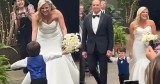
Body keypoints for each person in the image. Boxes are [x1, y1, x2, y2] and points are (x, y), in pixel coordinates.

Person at [21, 0, 79, 84]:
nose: (45, 10)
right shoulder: (36, 16)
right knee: (43, 57)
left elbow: (63, 28)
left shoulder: (57, 13)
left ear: (50, 6)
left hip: (56, 37)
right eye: (42, 8)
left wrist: (66, 40)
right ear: (39, 8)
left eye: (46, 8)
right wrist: (33, 43)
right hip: (42, 38)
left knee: (59, 55)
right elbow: (34, 30)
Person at [82, 0, 114, 84]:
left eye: (97, 5)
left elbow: (110, 35)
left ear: (100, 6)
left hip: (103, 48)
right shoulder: (86, 18)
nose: (95, 6)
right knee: (92, 68)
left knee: (103, 71)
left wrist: (110, 49)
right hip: (90, 48)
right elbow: (84, 35)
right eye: (94, 5)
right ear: (91, 6)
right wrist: (84, 49)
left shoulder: (107, 18)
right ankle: (100, 82)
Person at [128, 6, 156, 84]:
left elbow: (154, 36)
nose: (145, 14)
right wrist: (130, 51)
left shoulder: (151, 22)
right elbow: (131, 38)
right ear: (139, 14)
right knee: (139, 64)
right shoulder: (133, 24)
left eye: (146, 12)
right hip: (137, 47)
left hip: (148, 47)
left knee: (147, 64)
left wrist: (150, 40)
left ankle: (148, 81)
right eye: (143, 12)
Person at [11, 0, 35, 73]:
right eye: (18, 1)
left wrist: (27, 15)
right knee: (23, 51)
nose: (20, 2)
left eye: (21, 0)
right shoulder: (14, 12)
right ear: (16, 3)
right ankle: (26, 69)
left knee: (31, 48)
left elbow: (34, 21)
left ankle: (33, 67)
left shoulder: (29, 8)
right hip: (22, 33)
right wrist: (15, 20)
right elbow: (16, 28)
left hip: (31, 31)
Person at [79, 3, 86, 84]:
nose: (81, 10)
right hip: (74, 42)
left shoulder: (85, 17)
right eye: (79, 8)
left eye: (82, 8)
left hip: (83, 43)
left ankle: (82, 80)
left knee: (83, 63)